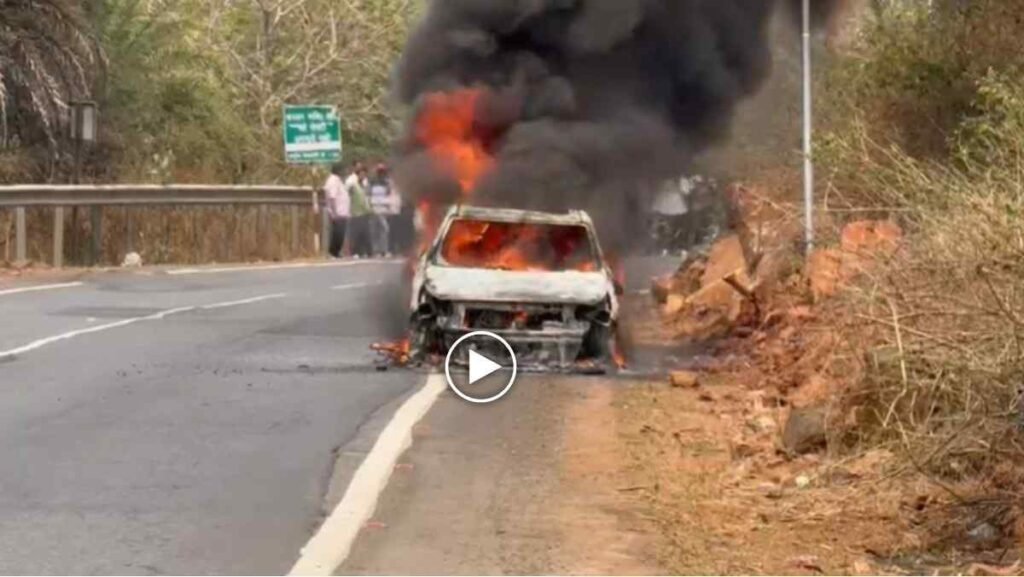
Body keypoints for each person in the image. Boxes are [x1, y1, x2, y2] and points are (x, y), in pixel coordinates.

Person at [323, 162, 350, 258]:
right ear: (338, 170)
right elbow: (332, 197)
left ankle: (336, 252)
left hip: (341, 212)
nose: (345, 172)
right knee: (337, 234)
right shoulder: (333, 180)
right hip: (338, 212)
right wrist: (334, 212)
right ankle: (333, 252)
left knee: (340, 233)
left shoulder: (337, 180)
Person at [345, 162, 372, 258]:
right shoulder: (353, 185)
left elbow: (367, 199)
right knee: (355, 234)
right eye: (361, 174)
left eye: (364, 174)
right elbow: (347, 196)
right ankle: (355, 252)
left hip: (365, 212)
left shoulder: (364, 185)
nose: (363, 175)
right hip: (356, 213)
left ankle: (367, 252)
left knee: (366, 234)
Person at [367, 164, 394, 257]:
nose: (381, 174)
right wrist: (369, 206)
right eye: (380, 172)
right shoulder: (372, 183)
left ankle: (384, 250)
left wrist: (389, 208)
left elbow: (389, 195)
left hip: (383, 210)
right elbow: (368, 195)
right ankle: (376, 251)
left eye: (382, 172)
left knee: (384, 230)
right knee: (375, 231)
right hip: (374, 209)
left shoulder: (387, 183)